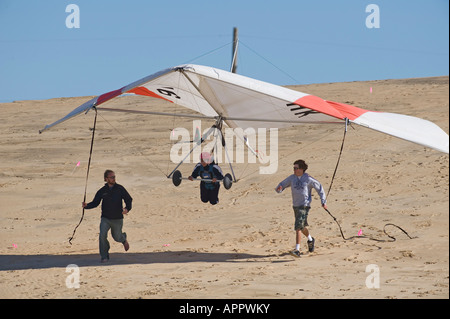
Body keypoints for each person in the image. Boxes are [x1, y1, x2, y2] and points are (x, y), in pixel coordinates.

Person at [275, 160, 327, 258]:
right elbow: (282, 184)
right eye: (293, 168)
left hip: (304, 206)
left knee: (298, 227)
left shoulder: (308, 179)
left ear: (302, 169)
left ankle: (297, 250)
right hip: (295, 206)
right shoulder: (292, 178)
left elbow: (320, 188)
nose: (294, 170)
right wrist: (279, 188)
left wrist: (323, 201)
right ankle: (311, 239)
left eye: (296, 168)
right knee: (302, 227)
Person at [82, 170, 133, 263]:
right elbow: (95, 203)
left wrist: (127, 209)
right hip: (105, 218)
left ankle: (123, 239)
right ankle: (104, 256)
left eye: (114, 177)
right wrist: (86, 206)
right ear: (106, 179)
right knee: (102, 236)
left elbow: (129, 199)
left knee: (117, 237)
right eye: (112, 177)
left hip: (117, 218)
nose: (114, 179)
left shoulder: (120, 188)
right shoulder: (102, 191)